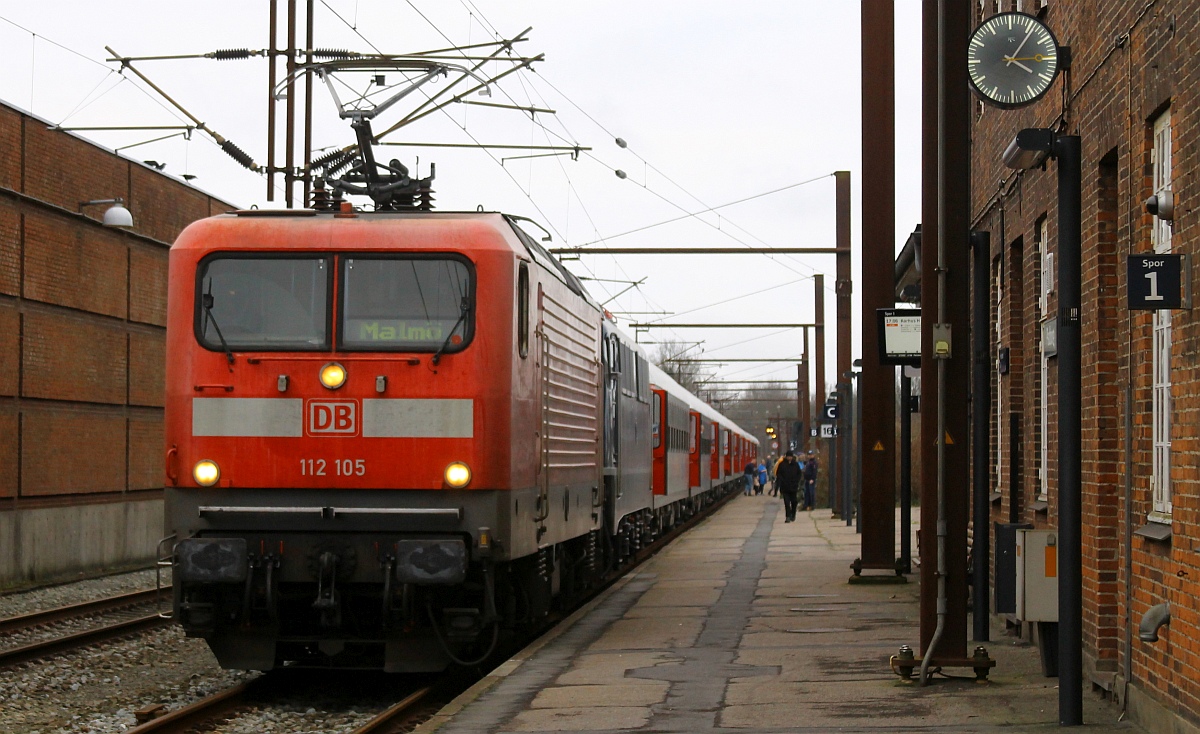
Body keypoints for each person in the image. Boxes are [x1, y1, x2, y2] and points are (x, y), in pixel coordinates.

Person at [776, 451, 802, 522]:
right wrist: (781, 482)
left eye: (790, 456)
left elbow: (799, 473)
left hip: (793, 487)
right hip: (785, 487)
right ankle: (787, 516)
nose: (789, 458)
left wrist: (797, 481)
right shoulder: (782, 464)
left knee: (794, 502)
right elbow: (778, 474)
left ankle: (793, 514)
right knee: (787, 503)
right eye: (788, 456)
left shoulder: (795, 464)